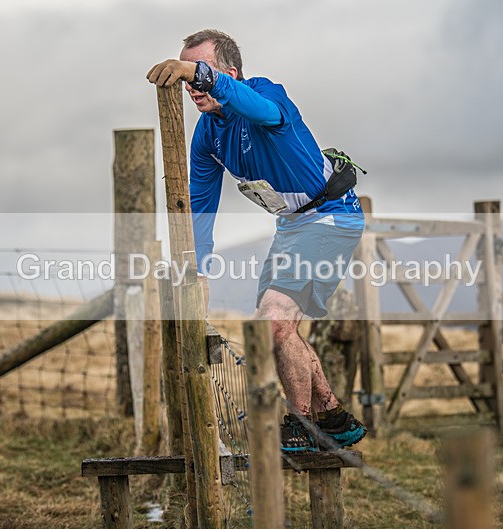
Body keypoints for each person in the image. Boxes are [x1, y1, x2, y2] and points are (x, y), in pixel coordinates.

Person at [147, 29, 366, 452]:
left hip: (331, 217)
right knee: (281, 329)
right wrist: (198, 269)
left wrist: (201, 74)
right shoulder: (208, 136)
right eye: (189, 78)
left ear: (228, 73)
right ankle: (333, 416)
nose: (193, 87)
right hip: (292, 226)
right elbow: (201, 206)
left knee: (273, 322)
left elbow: (259, 109)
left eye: (201, 74)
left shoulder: (264, 93)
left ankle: (300, 425)